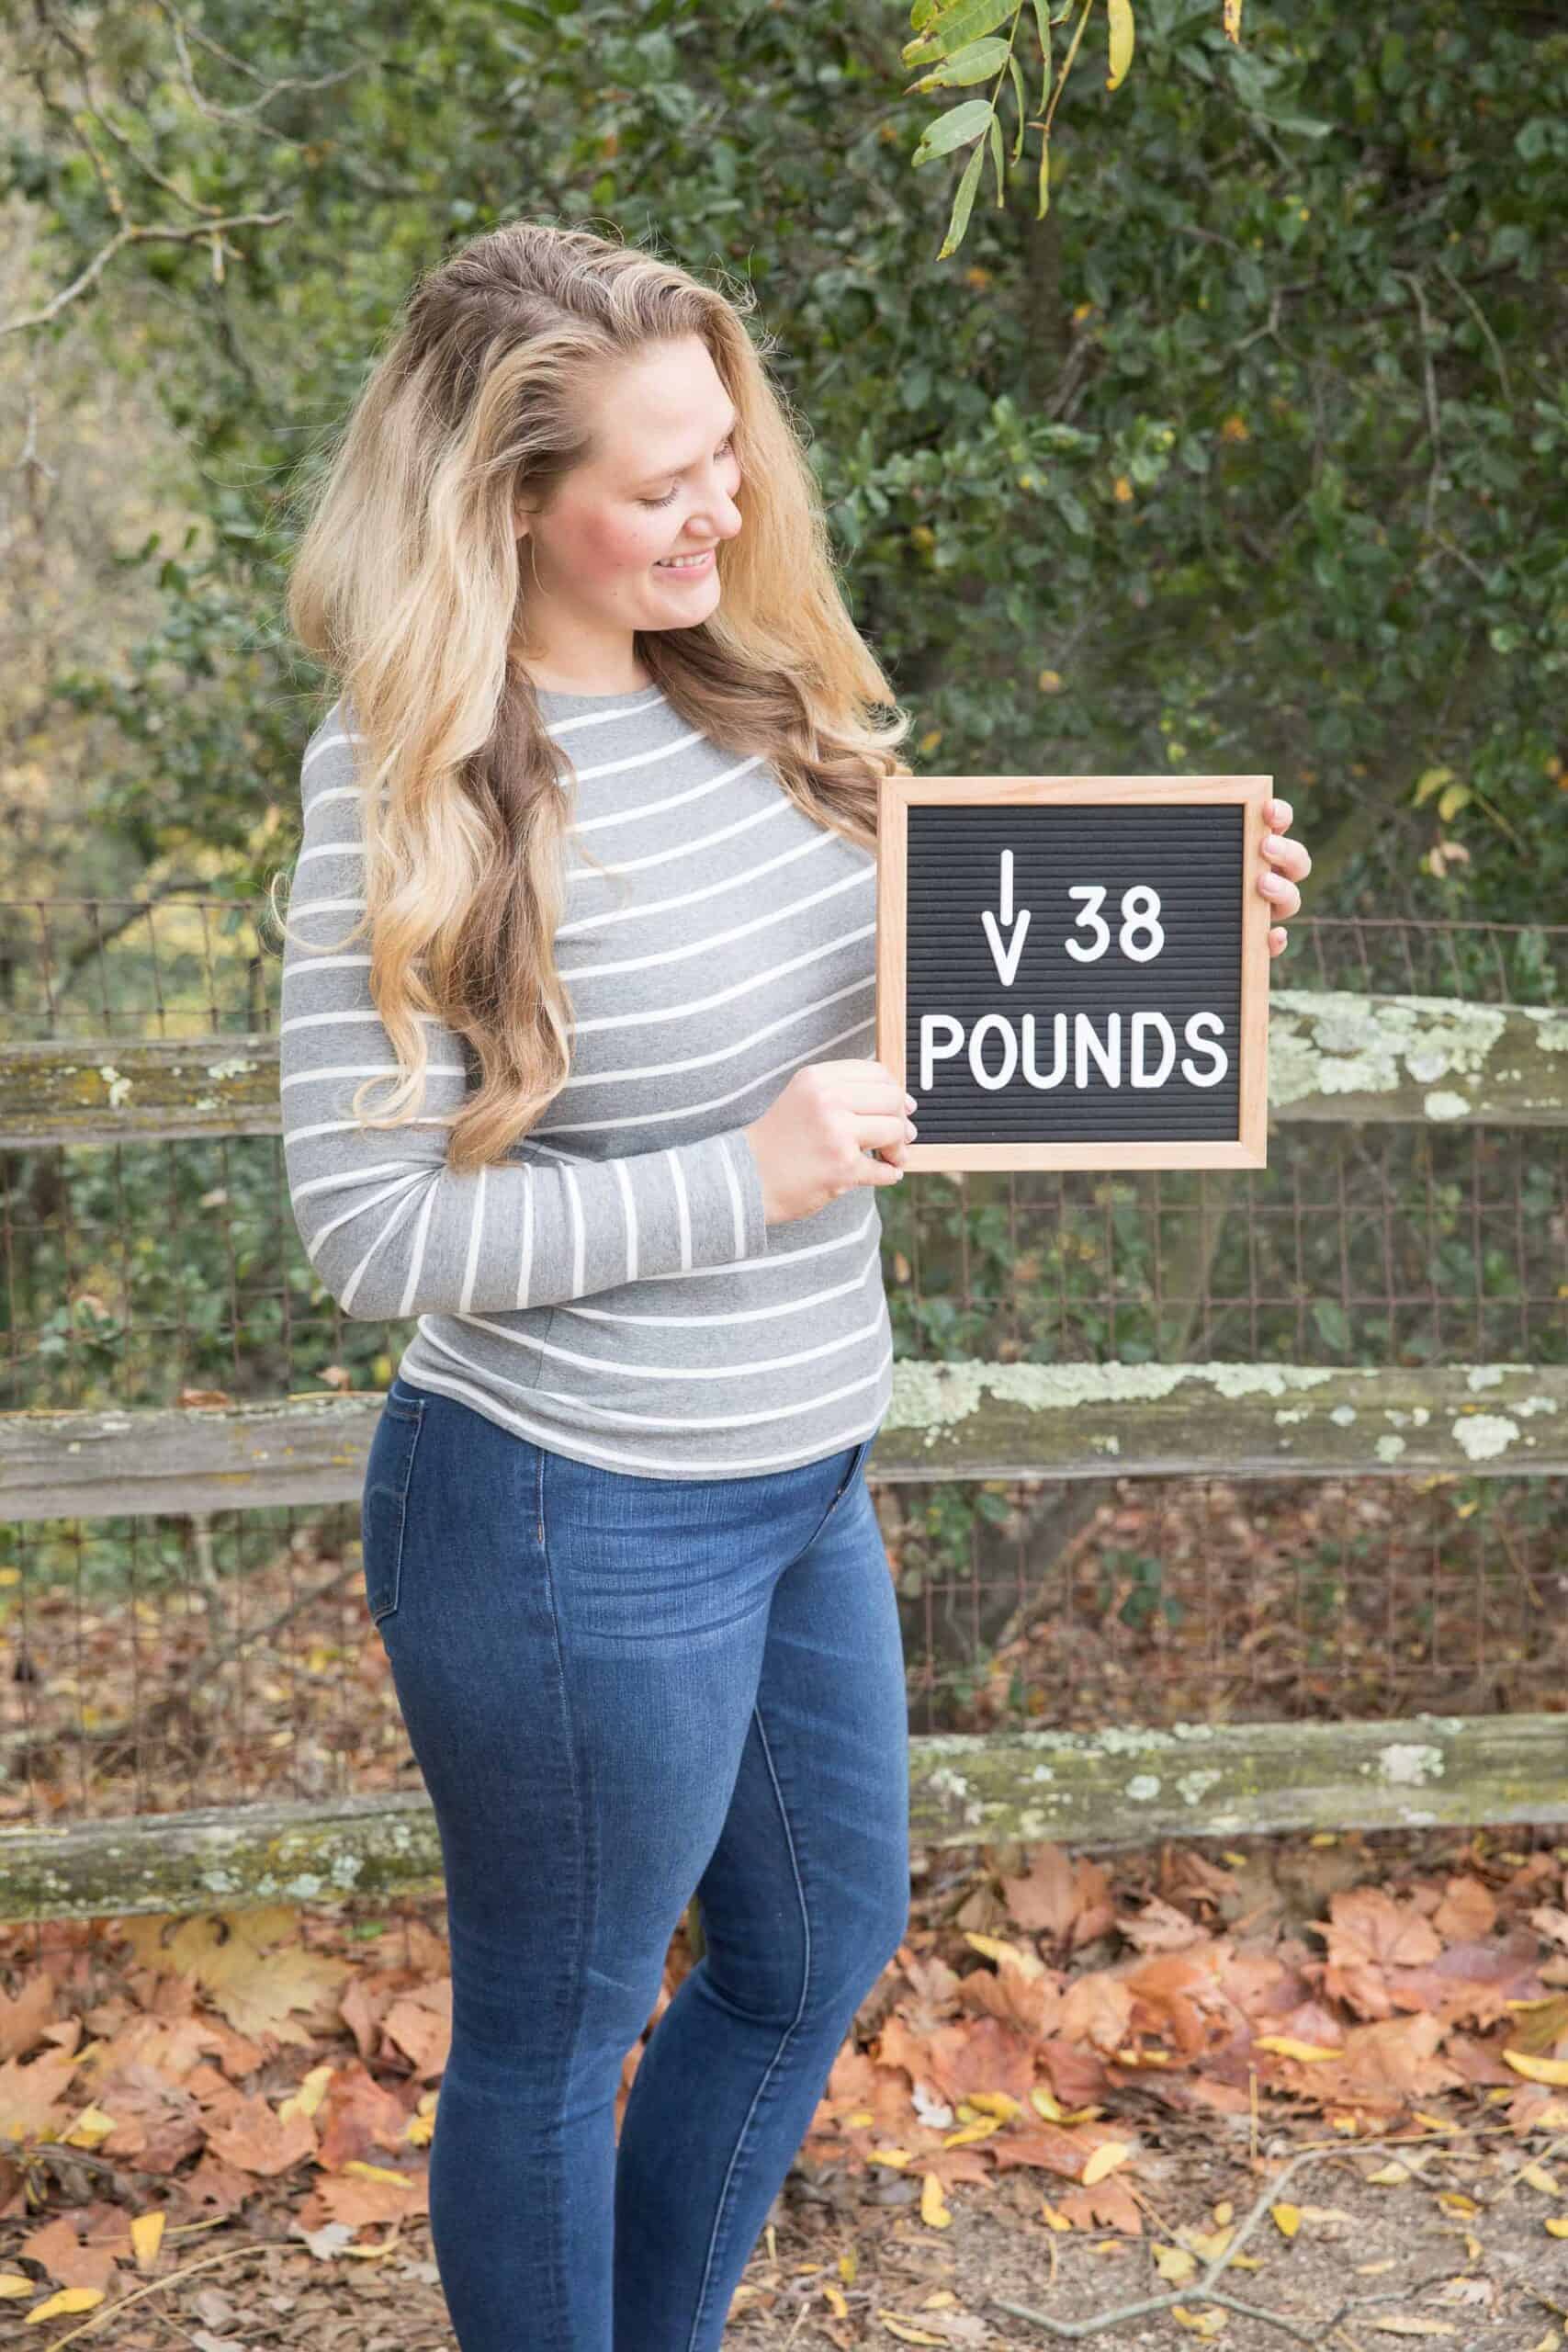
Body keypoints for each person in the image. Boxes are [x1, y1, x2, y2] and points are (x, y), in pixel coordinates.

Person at [277, 220, 1310, 2352]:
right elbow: (370, 1232)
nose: (718, 508)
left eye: (724, 457)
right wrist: (739, 1174)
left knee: (811, 1942)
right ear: (506, 499)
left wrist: (1188, 933)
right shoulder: (418, 781)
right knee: (556, 2033)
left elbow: (926, 1014)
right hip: (563, 1508)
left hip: (797, 1471)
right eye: (659, 483)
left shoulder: (759, 705)